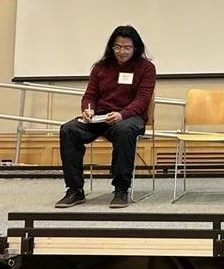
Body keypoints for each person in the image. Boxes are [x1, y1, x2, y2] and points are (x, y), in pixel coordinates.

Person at [55, 25, 156, 209]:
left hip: (129, 117)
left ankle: (121, 189)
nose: (122, 52)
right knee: (68, 130)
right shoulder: (101, 67)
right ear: (111, 47)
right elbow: (89, 95)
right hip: (101, 117)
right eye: (117, 47)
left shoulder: (146, 68)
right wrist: (88, 109)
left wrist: (122, 114)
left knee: (124, 131)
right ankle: (74, 189)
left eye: (127, 48)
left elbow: (142, 100)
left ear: (136, 48)